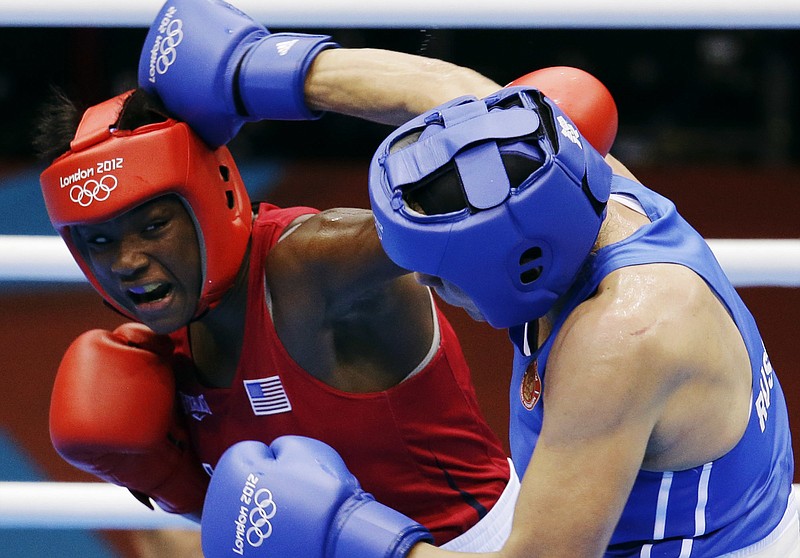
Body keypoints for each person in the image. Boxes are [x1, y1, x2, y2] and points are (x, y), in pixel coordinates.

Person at [37, 0, 613, 553]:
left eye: (154, 225)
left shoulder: (313, 266)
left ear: (211, 197)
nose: (127, 261)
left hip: (469, 549)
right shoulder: (162, 335)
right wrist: (170, 485)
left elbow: (458, 194)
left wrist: (532, 149)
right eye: (99, 242)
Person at [197, 56, 798, 558]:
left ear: (518, 267)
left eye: (442, 276)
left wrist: (352, 539)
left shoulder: (620, 337)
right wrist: (255, 66)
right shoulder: (562, 172)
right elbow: (448, 95)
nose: (428, 288)